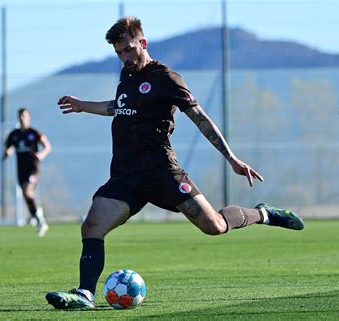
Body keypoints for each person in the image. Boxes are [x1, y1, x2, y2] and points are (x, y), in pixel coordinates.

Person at [46, 17, 304, 309]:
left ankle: (264, 214)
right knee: (92, 225)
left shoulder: (166, 78)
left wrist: (230, 157)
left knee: (214, 226)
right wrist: (83, 106)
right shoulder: (126, 76)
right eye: (119, 53)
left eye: (129, 50)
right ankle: (85, 294)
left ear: (142, 43)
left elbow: (200, 118)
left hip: (161, 172)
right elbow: (119, 108)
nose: (125, 57)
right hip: (126, 176)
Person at [3, 107, 52, 237]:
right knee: (27, 195)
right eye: (20, 115)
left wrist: (41, 155)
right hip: (21, 169)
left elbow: (47, 146)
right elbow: (8, 148)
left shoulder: (34, 132)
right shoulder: (13, 134)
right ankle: (38, 218)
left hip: (33, 168)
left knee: (27, 191)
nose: (22, 118)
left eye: (24, 115)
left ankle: (37, 217)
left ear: (29, 117)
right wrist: (7, 154)